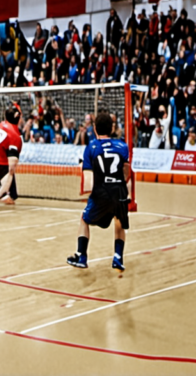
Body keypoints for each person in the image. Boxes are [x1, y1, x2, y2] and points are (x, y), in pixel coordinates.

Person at [67, 112, 130, 272]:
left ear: (94, 129)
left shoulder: (91, 148)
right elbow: (126, 173)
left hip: (102, 191)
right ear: (112, 128)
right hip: (119, 191)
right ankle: (118, 258)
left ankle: (81, 256)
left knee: (84, 219)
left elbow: (89, 182)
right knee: (119, 221)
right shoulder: (123, 146)